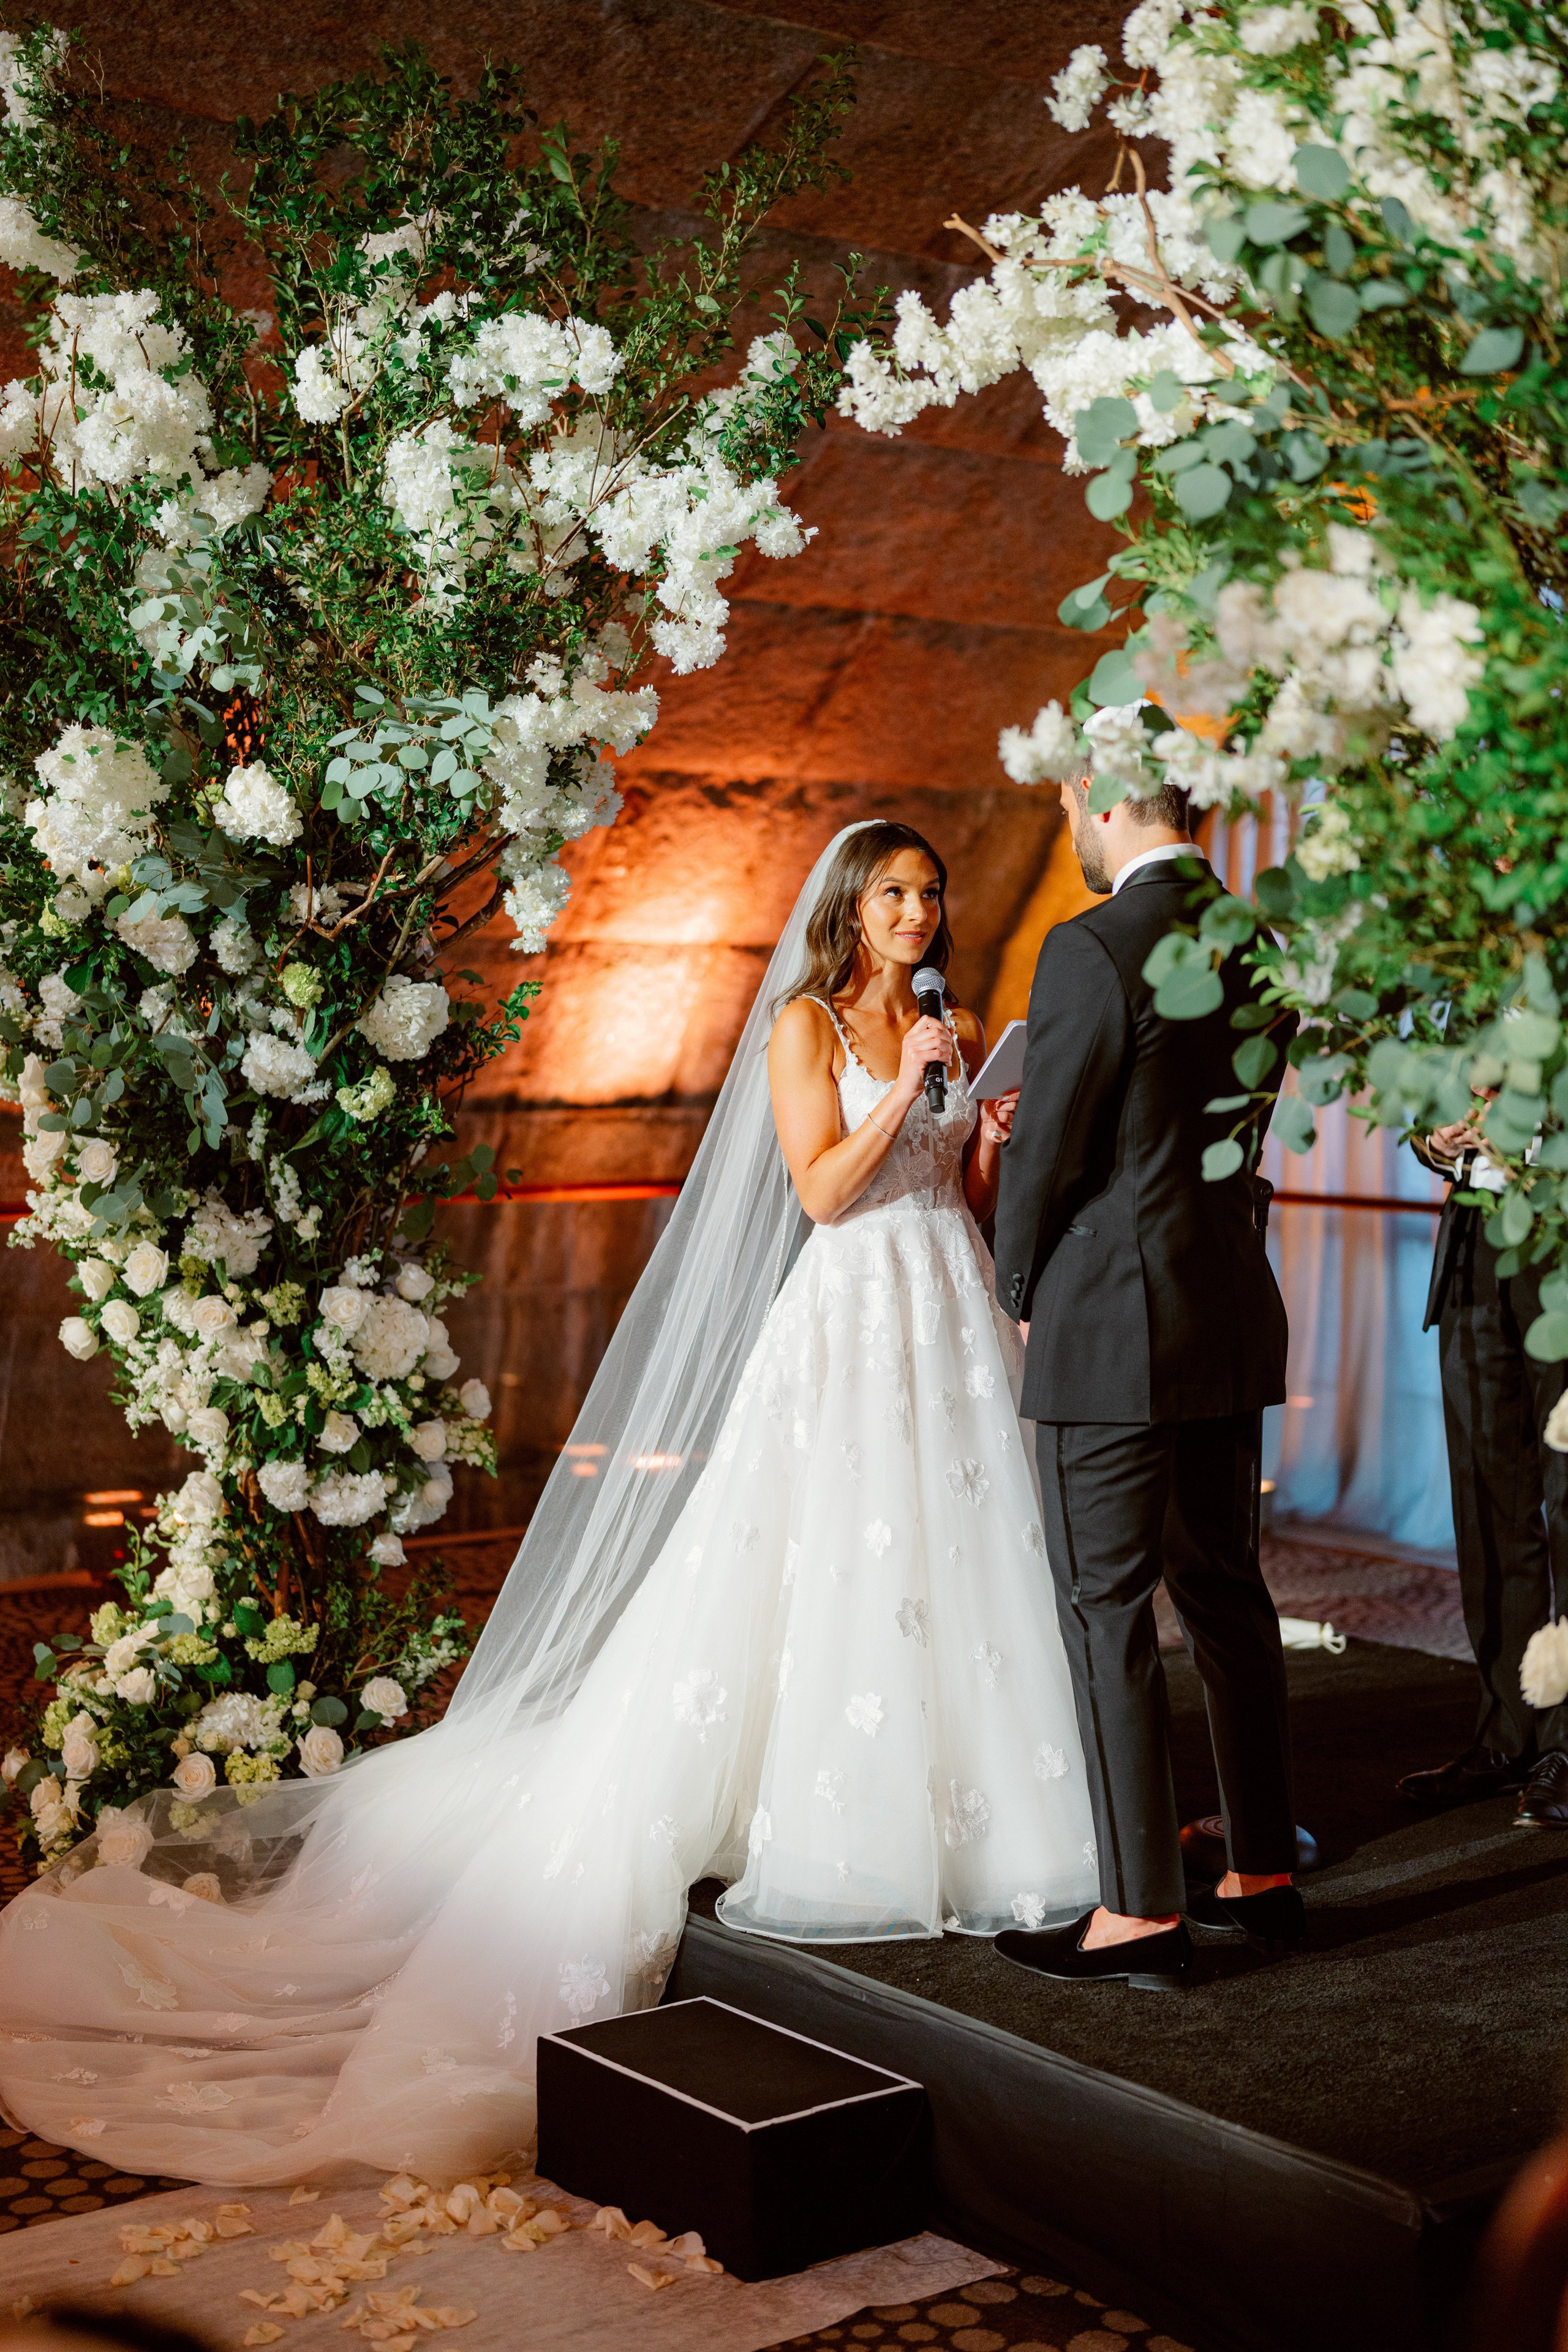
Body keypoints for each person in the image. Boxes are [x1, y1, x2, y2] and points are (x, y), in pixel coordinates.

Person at [0, 820, 1096, 2184]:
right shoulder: (807, 1028)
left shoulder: (949, 1023)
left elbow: (957, 1200)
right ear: (849, 911)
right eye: (892, 895)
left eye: (929, 894)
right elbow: (821, 1192)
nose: (916, 915)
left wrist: (978, 1130)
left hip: (941, 1313)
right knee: (834, 1568)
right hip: (849, 1321)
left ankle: (980, 1810)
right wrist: (905, 1090)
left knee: (963, 1570)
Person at [990, 749, 1299, 1992]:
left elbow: (1053, 1149)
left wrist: (1015, 1287)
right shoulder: (1260, 943)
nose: (1071, 823)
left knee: (1103, 1607)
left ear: (1105, 804)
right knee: (1224, 1590)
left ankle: (1137, 1908)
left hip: (1112, 1323)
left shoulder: (1089, 945)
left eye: (1069, 804)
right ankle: (1259, 1870)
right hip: (1225, 1305)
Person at [1395, 1115, 1568, 1823]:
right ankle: (1509, 1733)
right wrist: (1434, 1140)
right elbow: (1416, 1110)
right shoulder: (1454, 1001)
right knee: (1486, 1501)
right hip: (1472, 1244)